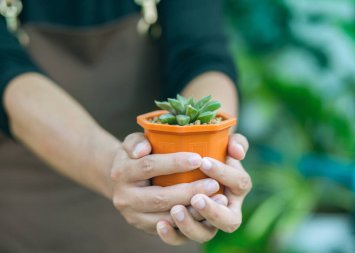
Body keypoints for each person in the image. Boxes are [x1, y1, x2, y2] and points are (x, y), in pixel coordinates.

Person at [0, 0, 252, 252]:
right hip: (28, 225)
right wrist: (115, 167)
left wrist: (213, 157)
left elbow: (202, 54)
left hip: (156, 225)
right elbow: (6, 70)